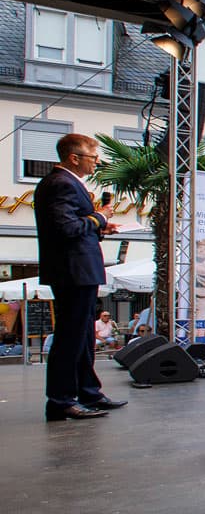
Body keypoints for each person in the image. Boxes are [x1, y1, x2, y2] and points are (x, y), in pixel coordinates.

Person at [33, 132, 124, 421]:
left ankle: (88, 391)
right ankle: (61, 400)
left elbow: (74, 227)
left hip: (78, 269)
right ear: (74, 158)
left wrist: (99, 228)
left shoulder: (67, 184)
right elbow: (66, 229)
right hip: (72, 271)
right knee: (70, 337)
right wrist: (100, 217)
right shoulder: (61, 184)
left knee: (84, 335)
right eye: (93, 158)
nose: (96, 163)